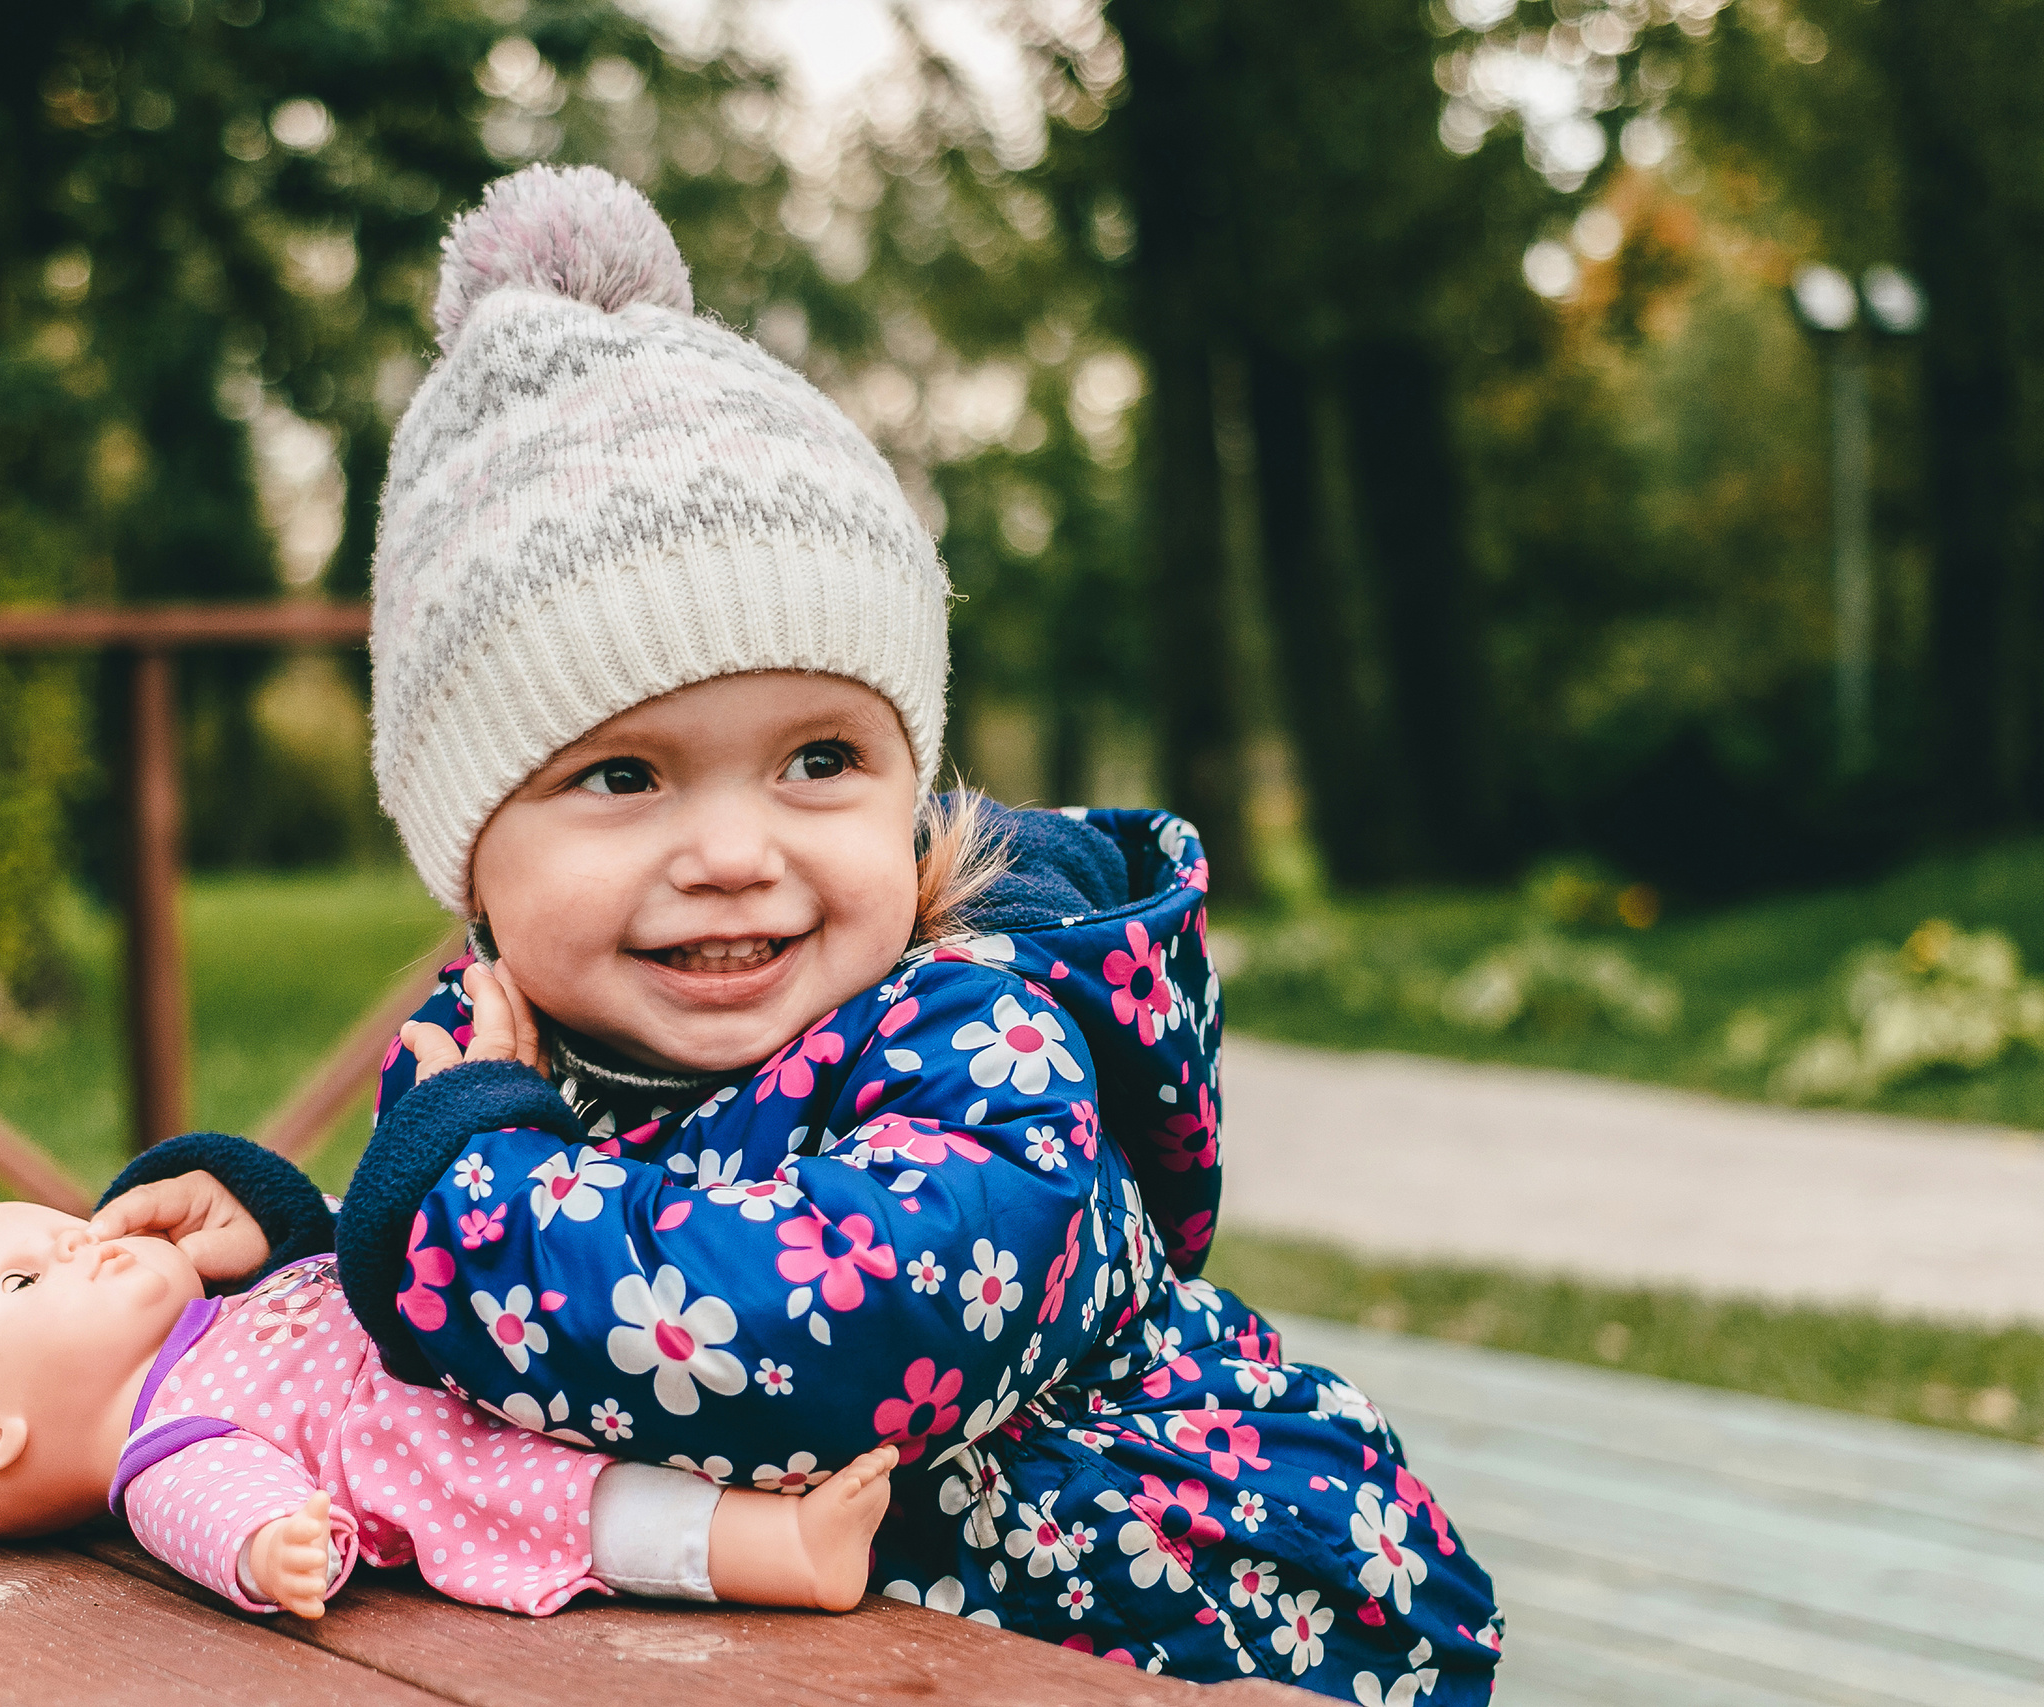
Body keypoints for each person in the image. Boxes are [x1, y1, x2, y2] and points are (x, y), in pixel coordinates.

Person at [92, 163, 1505, 1697]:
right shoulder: (501, 1062)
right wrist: (305, 1254)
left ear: (912, 776)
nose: (731, 852)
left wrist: (448, 1197)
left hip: (1214, 1631)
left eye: (819, 760)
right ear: (473, 864)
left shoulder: (981, 1032)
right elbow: (466, 1369)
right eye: (621, 774)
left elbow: (777, 1339)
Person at [0, 1199, 898, 1619]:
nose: (80, 1244)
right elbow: (214, 1509)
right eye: (29, 1282)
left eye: (64, 1229)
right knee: (573, 1501)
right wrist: (269, 1549)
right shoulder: (160, 1451)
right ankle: (783, 1552)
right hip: (427, 1454)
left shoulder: (213, 1319)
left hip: (452, 1351)